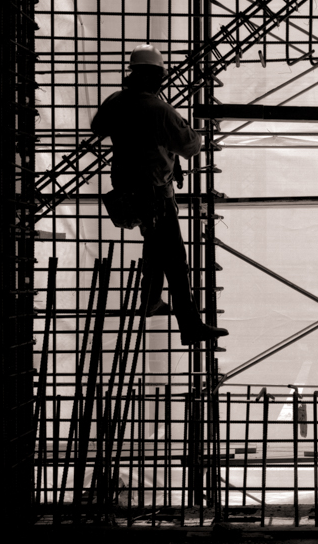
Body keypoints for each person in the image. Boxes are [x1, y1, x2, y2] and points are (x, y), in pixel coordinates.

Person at [91, 44, 229, 346]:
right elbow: (190, 146)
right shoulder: (158, 109)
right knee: (176, 261)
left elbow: (97, 127)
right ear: (157, 77)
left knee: (155, 246)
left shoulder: (115, 101)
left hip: (128, 191)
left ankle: (151, 300)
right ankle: (190, 327)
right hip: (155, 194)